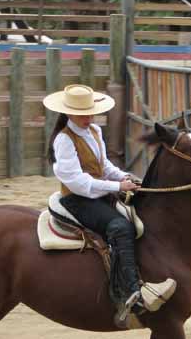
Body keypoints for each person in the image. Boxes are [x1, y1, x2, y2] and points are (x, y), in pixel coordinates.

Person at [43, 84, 176, 319]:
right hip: (77, 200)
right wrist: (117, 187)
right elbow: (77, 182)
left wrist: (123, 176)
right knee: (120, 227)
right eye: (82, 114)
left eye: (90, 113)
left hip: (98, 193)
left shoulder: (94, 130)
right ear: (68, 113)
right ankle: (131, 293)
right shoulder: (64, 140)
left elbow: (104, 166)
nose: (88, 117)